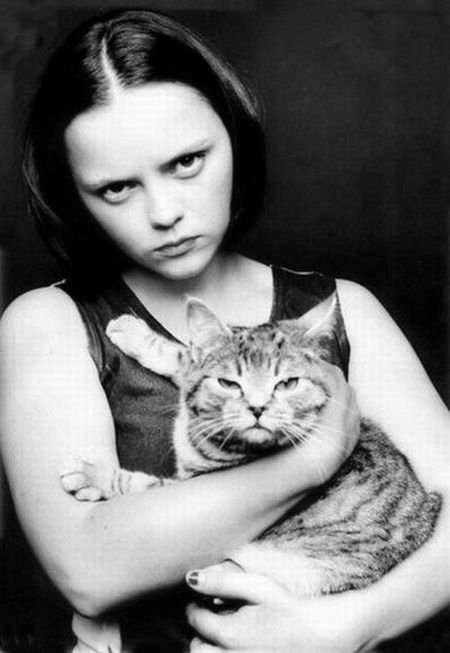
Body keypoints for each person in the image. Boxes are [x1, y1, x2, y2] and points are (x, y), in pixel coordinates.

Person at [0, 8, 448, 653]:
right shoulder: (48, 321)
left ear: (235, 135)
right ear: (74, 193)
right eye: (117, 187)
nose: (165, 213)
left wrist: (348, 627)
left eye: (187, 161)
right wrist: (314, 459)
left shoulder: (343, 308)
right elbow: (90, 572)